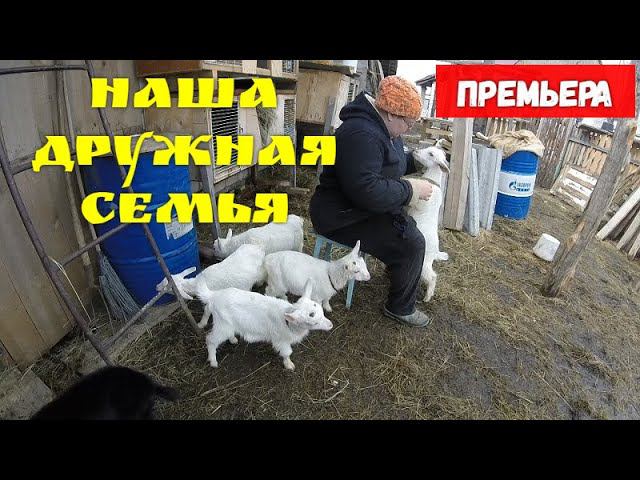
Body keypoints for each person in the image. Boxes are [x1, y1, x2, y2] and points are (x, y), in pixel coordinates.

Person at [309, 75, 435, 327]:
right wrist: (410, 189)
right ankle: (400, 308)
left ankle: (399, 270)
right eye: (408, 123)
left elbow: (388, 164)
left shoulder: (383, 129)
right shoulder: (361, 134)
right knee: (412, 242)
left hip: (356, 209)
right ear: (391, 114)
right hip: (339, 217)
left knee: (406, 228)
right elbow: (366, 190)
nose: (409, 129)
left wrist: (417, 160)